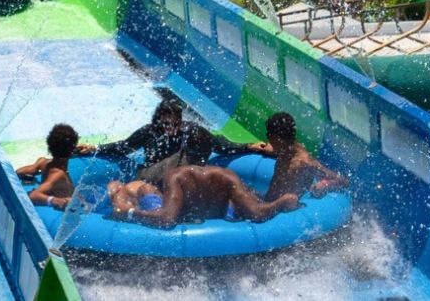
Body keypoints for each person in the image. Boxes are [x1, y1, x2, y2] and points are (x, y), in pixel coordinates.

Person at [110, 128, 300, 228]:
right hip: (224, 218)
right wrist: (281, 202)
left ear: (185, 150)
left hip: (185, 221)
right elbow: (257, 213)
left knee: (140, 189)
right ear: (209, 150)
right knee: (248, 193)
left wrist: (128, 212)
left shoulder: (175, 176)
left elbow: (167, 219)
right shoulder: (226, 175)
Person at [81, 98, 266, 185]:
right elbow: (123, 147)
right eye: (165, 120)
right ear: (159, 118)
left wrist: (249, 146)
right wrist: (95, 148)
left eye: (174, 120)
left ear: (179, 118)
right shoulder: (150, 132)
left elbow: (221, 145)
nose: (169, 125)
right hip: (153, 178)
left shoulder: (191, 131)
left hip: (182, 178)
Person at [263, 112, 349, 201]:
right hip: (270, 203)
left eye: (268, 135)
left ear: (278, 139)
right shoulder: (284, 151)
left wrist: (325, 184)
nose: (268, 139)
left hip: (287, 211)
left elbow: (344, 181)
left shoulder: (304, 162)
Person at [15, 123, 79, 210]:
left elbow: (19, 171)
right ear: (71, 149)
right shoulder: (58, 175)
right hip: (65, 206)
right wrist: (54, 200)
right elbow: (33, 195)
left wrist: (35, 173)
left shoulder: (43, 162)